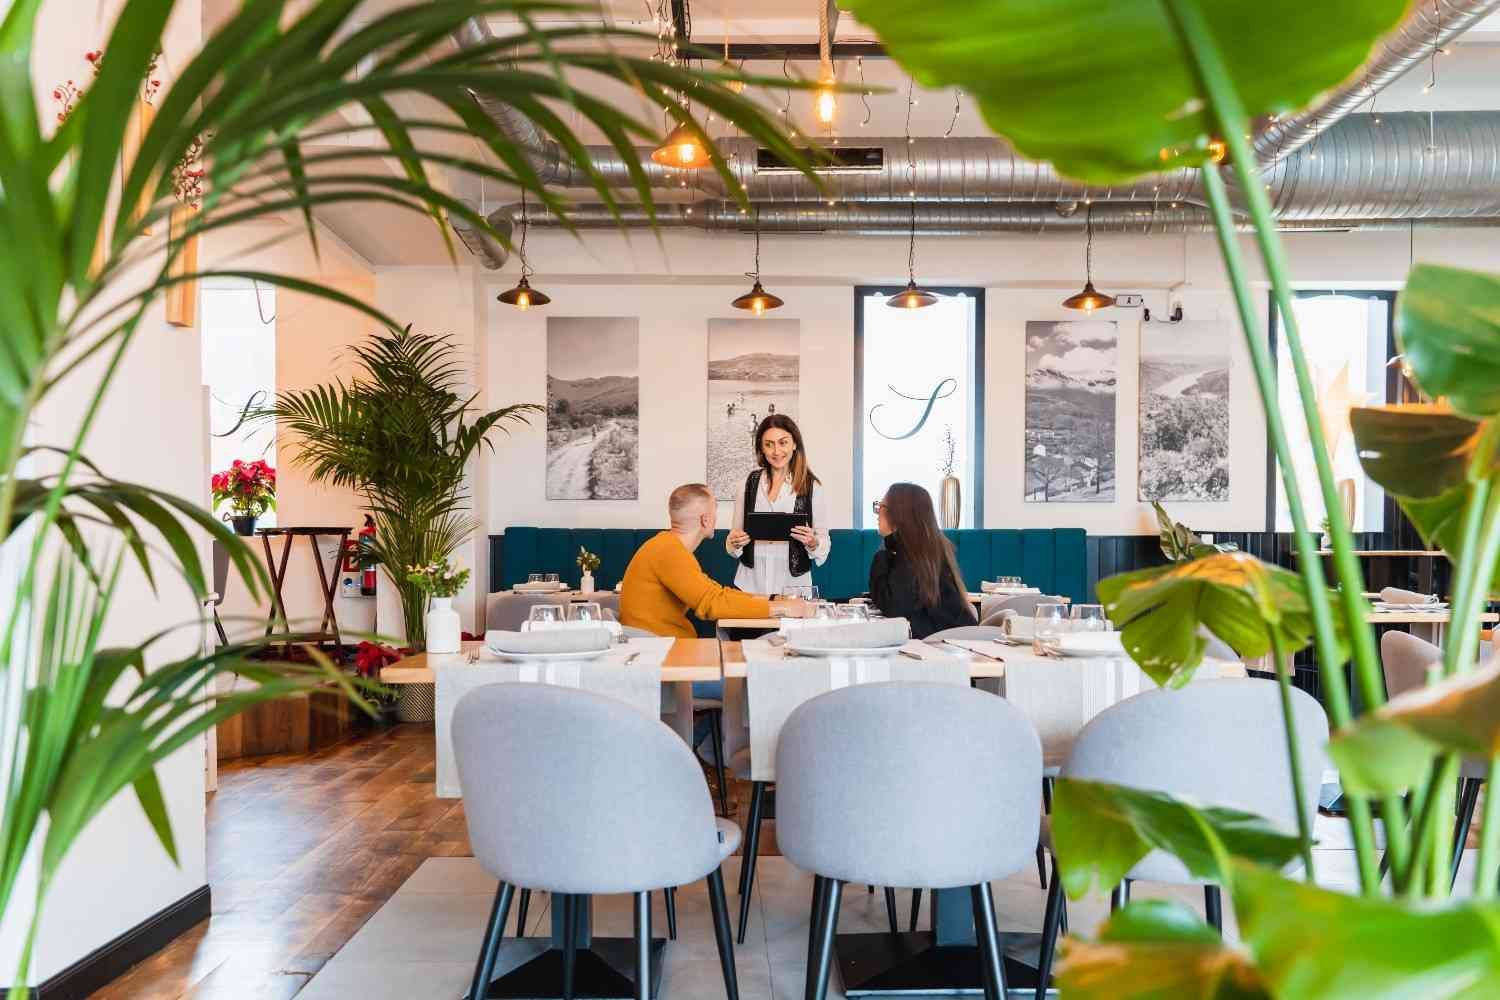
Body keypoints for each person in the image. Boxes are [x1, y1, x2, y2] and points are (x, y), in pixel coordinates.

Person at [621, 483, 808, 638]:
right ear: (705, 520)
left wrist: (772, 599)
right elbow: (712, 603)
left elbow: (715, 592)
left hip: (658, 646)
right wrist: (780, 608)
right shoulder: (669, 551)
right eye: (715, 511)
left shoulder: (667, 547)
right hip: (659, 651)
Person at [725, 414, 831, 597]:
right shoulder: (747, 484)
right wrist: (734, 542)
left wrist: (813, 542)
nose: (776, 451)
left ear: (794, 444)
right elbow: (733, 541)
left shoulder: (812, 487)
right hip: (749, 586)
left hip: (794, 589)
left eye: (783, 443)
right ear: (761, 448)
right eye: (769, 444)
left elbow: (824, 546)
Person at [869, 482, 976, 639]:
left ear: (898, 514)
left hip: (947, 652)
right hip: (952, 646)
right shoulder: (923, 552)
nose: (877, 514)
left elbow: (893, 608)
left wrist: (882, 557)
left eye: (881, 507)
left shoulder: (909, 556)